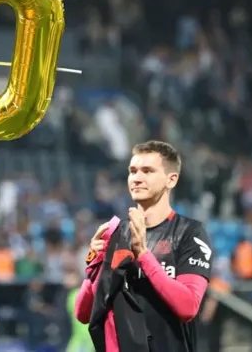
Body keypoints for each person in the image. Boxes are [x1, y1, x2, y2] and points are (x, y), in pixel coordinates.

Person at [74, 141, 212, 352]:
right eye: (133, 171)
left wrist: (143, 255)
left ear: (171, 180)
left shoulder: (189, 233)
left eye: (147, 171)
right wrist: (95, 264)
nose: (137, 178)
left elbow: (188, 307)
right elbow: (82, 314)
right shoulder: (116, 235)